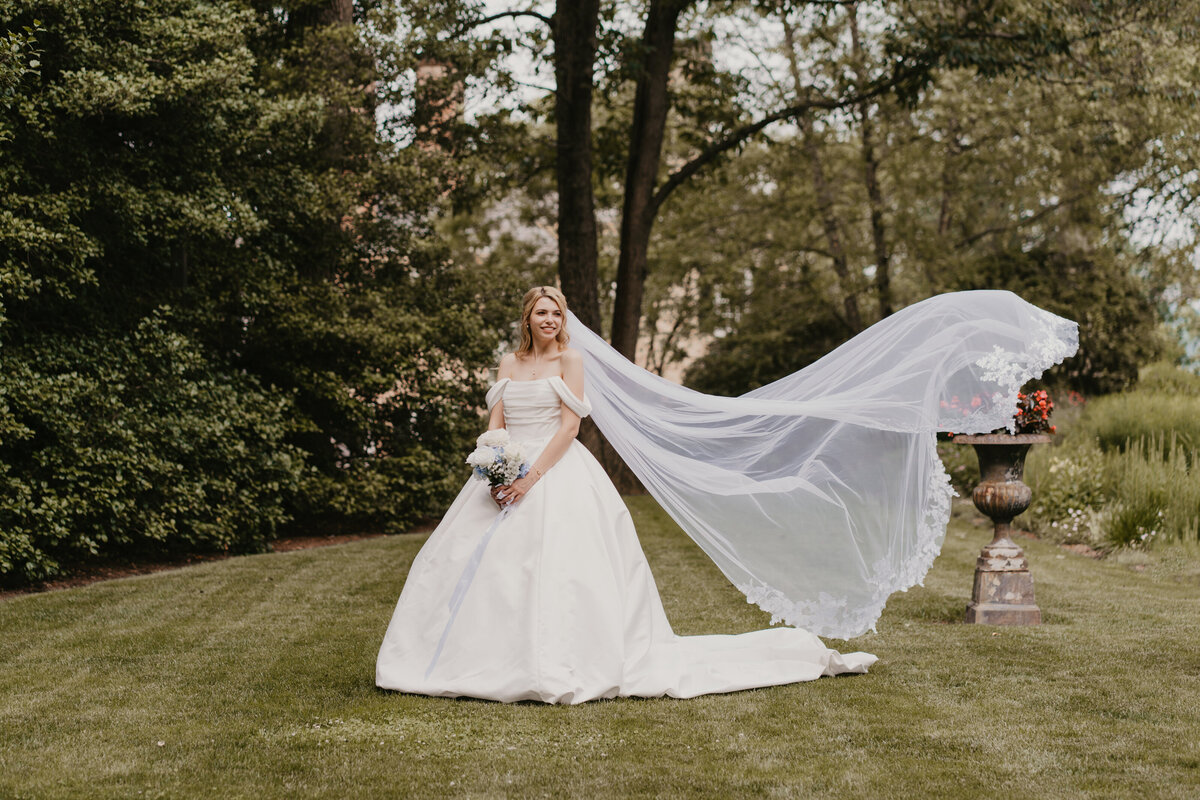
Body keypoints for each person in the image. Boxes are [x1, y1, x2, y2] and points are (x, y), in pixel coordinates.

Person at [375, 286, 877, 703]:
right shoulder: (509, 361)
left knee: (556, 568)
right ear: (526, 318)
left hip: (554, 469)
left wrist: (529, 479)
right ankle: (467, 658)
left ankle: (556, 660)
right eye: (541, 312)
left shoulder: (571, 360)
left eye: (557, 313)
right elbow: (497, 420)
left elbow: (569, 427)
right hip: (503, 468)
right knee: (474, 566)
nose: (549, 319)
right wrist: (493, 465)